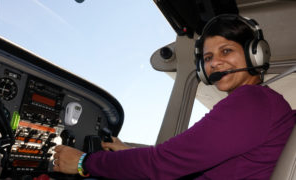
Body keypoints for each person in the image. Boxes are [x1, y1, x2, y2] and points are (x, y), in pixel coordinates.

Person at [53, 14, 296, 179]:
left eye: (227, 51)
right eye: (208, 58)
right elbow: (188, 161)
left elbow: (162, 164)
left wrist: (84, 163)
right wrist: (127, 151)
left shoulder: (251, 102)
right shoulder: (265, 105)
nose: (215, 63)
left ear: (254, 55)